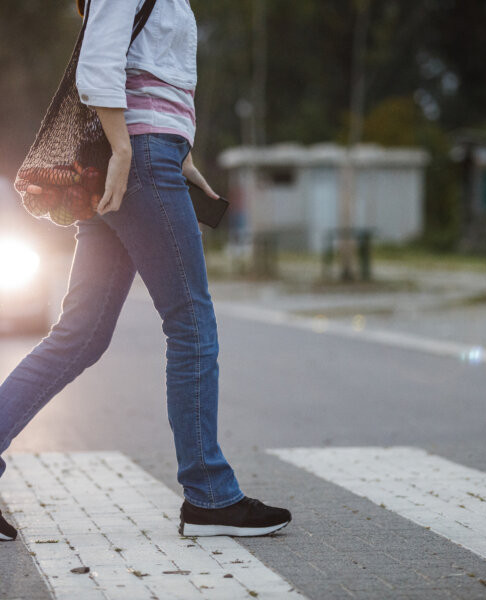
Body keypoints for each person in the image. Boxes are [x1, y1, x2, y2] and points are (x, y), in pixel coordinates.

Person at [0, 0, 291, 540]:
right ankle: (209, 496)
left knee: (80, 336)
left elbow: (151, 76)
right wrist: (130, 153)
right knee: (191, 322)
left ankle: (208, 493)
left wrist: (181, 155)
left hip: (147, 154)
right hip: (134, 158)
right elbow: (98, 64)